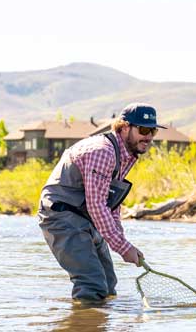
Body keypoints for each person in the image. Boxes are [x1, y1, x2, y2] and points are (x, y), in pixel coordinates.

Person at [38, 103, 166, 302]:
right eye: (143, 129)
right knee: (92, 284)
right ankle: (85, 323)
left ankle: (98, 320)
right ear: (124, 128)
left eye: (153, 131)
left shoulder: (125, 154)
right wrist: (123, 248)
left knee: (107, 284)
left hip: (83, 218)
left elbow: (110, 204)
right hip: (61, 216)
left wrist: (123, 242)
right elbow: (97, 205)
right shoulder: (102, 151)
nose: (149, 136)